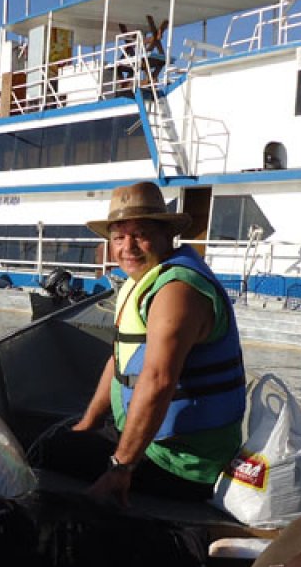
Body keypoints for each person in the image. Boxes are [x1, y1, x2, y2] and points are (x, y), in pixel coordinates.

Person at [34, 181, 245, 503]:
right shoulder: (143, 281)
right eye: (119, 237)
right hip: (150, 442)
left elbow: (158, 381)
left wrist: (120, 468)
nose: (127, 247)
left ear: (166, 236)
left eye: (140, 234)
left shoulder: (177, 291)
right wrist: (88, 424)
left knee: (45, 456)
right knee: (61, 436)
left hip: (182, 463)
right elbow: (119, 359)